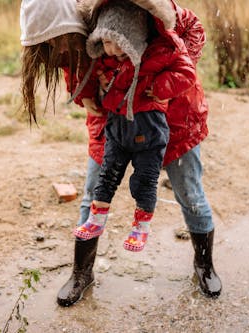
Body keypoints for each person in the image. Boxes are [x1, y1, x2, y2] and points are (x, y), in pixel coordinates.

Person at [20, 0, 221, 308]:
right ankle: (81, 273)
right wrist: (87, 95)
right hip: (112, 121)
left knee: (190, 194)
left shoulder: (157, 11)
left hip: (172, 119)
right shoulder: (79, 28)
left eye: (56, 45)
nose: (57, 53)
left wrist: (168, 80)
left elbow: (193, 30)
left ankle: (204, 265)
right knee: (93, 194)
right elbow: (75, 71)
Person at [69, 0, 196, 255]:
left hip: (149, 131)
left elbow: (187, 73)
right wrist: (92, 88)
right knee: (105, 178)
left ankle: (141, 226)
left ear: (135, 37)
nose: (113, 50)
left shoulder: (162, 53)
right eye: (105, 42)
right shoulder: (105, 60)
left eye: (120, 43)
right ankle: (95, 221)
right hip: (117, 129)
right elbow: (82, 71)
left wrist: (161, 87)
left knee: (144, 181)